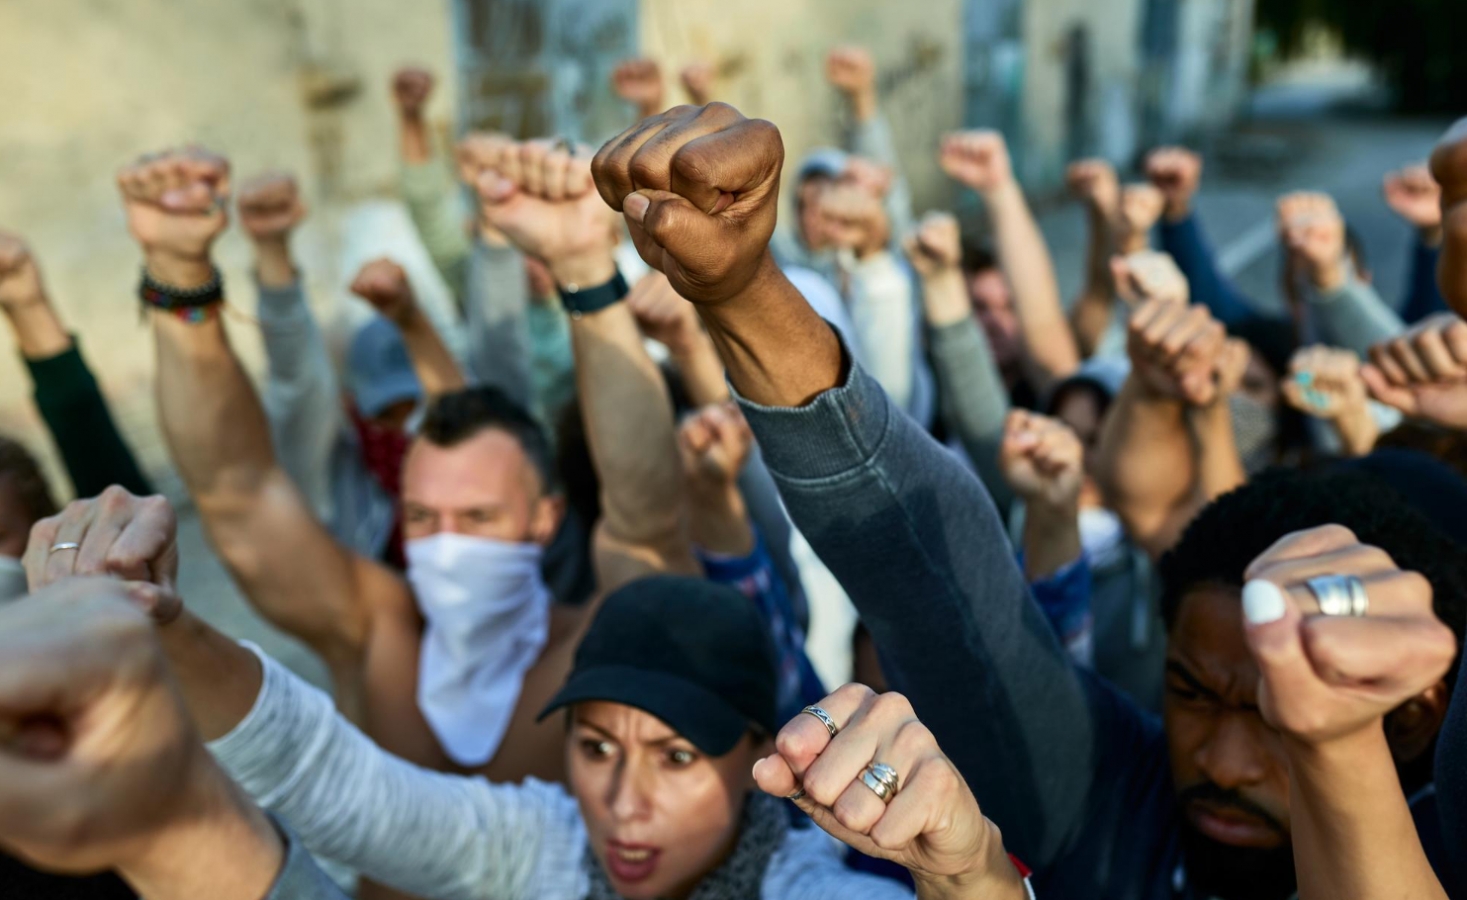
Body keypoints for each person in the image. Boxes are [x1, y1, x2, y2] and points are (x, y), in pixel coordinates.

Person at [584, 101, 1467, 899]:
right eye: (1194, 694)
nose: (1226, 762)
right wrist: (743, 293)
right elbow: (928, 568)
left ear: (1416, 713)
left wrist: (1334, 750)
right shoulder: (1115, 790)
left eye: (1278, 714)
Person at [13, 493, 1033, 900]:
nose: (623, 804)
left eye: (678, 757)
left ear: (761, 756)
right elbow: (339, 784)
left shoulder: (810, 887)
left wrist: (976, 873)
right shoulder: (549, 849)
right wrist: (167, 626)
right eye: (597, 747)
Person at [117, 144, 694, 788]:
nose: (447, 545)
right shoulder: (376, 633)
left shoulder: (594, 647)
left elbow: (647, 526)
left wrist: (585, 266)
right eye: (422, 516)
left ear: (544, 519)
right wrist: (175, 273)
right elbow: (237, 490)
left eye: (478, 516)